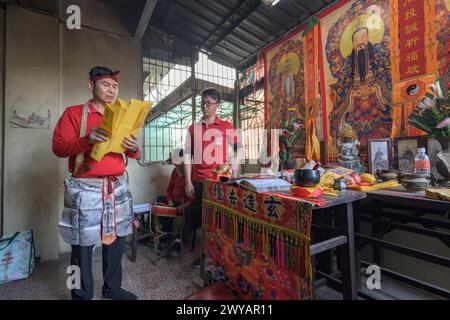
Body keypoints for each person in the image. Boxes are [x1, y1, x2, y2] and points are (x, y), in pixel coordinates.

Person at [52, 66, 139, 300]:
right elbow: (58, 148)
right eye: (106, 84)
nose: (112, 90)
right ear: (91, 85)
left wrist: (134, 148)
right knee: (81, 246)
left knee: (116, 240)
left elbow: (131, 154)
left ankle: (112, 289)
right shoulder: (73, 114)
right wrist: (86, 140)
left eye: (115, 86)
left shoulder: (121, 115)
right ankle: (81, 295)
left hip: (117, 187)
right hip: (85, 189)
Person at [183, 88, 241, 267]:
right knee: (204, 220)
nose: (205, 106)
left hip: (220, 182)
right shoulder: (194, 128)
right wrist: (187, 181)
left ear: (217, 105)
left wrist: (234, 165)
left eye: (209, 103)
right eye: (203, 102)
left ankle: (223, 256)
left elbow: (240, 149)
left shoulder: (226, 126)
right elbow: (186, 155)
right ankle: (206, 256)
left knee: (220, 221)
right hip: (200, 181)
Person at [165, 148, 194, 256]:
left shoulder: (192, 171)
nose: (175, 165)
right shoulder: (174, 172)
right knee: (159, 200)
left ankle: (179, 240)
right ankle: (166, 235)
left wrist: (184, 206)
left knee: (190, 211)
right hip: (175, 202)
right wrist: (170, 201)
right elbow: (169, 190)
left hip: (187, 204)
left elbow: (196, 197)